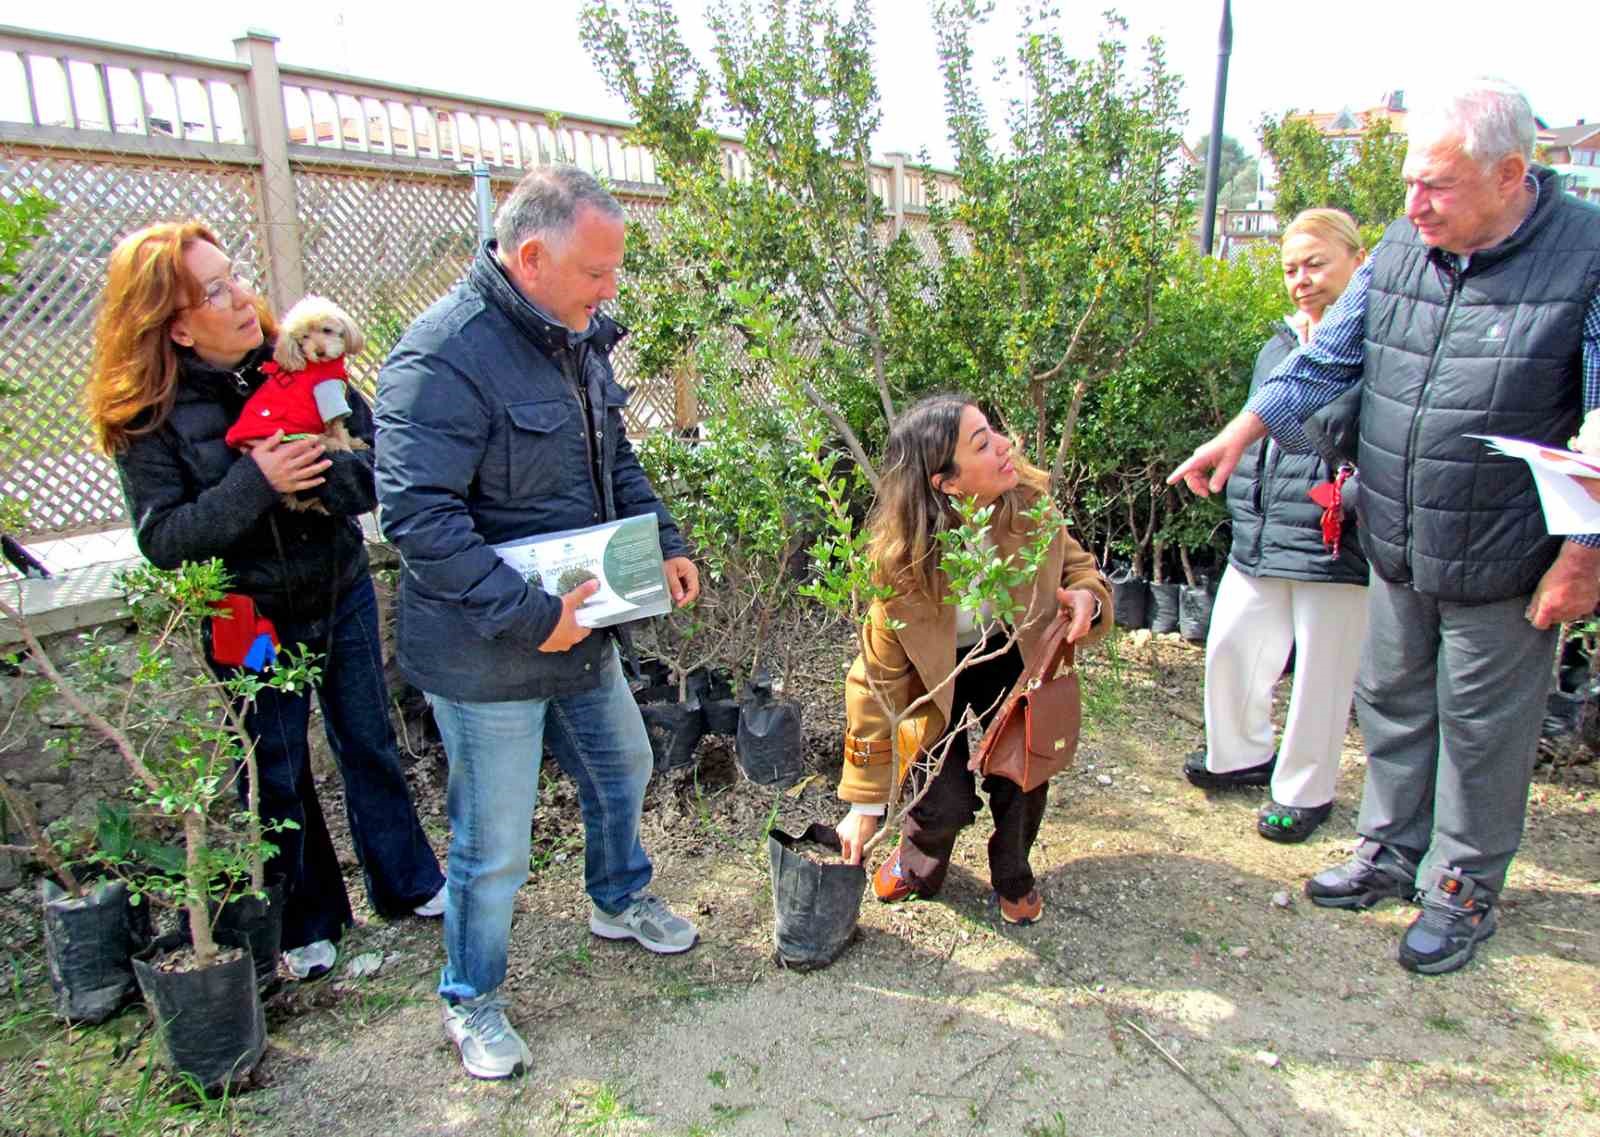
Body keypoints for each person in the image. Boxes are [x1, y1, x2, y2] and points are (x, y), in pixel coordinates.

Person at [1170, 79, 1600, 976]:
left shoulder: (1587, 259)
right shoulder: (1405, 247)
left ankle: (1462, 883)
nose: (1411, 206)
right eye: (1409, 183)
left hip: (1506, 550)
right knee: (1394, 701)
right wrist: (1239, 433)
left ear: (1512, 174)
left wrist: (1587, 552)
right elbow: (1330, 358)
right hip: (1396, 533)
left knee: (1482, 726)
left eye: (1435, 186)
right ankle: (1390, 850)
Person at [374, 165, 702, 1081]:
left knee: (625, 762)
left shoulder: (574, 339)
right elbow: (418, 519)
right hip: (487, 651)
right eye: (598, 272)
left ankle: (617, 895)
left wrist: (663, 540)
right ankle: (469, 996)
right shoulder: (441, 356)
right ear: (530, 257)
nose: (611, 291)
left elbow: (616, 459)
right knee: (494, 843)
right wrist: (528, 616)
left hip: (575, 628)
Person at [85, 221, 445, 981]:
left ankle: (408, 882)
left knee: (368, 738)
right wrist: (258, 483)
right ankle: (308, 919)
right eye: (215, 290)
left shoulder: (302, 360)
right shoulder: (147, 414)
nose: (243, 297)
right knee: (276, 767)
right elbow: (164, 536)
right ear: (174, 324)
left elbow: (378, 465)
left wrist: (315, 479)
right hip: (249, 618)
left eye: (235, 275)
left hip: (337, 587)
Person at [833, 395, 1112, 926]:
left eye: (994, 432)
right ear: (947, 483)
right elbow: (876, 682)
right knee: (943, 799)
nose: (1006, 447)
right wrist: (864, 805)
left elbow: (1079, 568)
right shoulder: (900, 565)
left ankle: (1013, 874)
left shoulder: (1029, 506)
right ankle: (920, 863)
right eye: (983, 443)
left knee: (1022, 774)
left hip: (1012, 658)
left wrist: (1086, 597)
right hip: (935, 678)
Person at [1182, 209, 1370, 844]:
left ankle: (1304, 790)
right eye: (1291, 268)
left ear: (1357, 259)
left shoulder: (1375, 345)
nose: (1302, 280)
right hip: (1260, 529)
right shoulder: (1279, 343)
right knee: (1233, 644)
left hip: (1332, 535)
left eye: (1316, 263)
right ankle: (1241, 756)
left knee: (1322, 671)